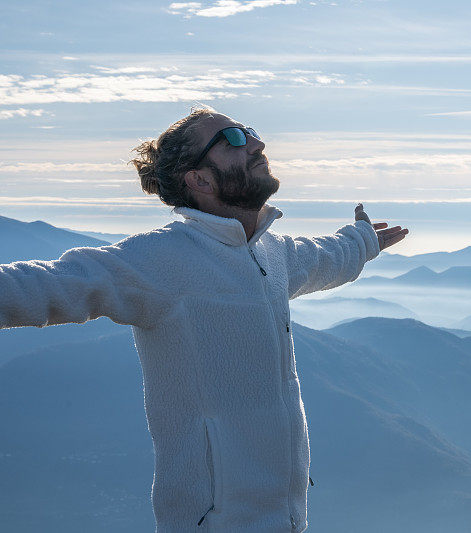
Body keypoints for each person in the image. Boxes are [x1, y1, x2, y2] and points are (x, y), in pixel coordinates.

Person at [0, 106, 409, 532]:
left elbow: (326, 256)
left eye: (248, 131)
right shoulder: (162, 259)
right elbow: (51, 285)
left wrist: (363, 240)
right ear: (199, 180)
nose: (256, 143)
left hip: (286, 521)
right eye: (232, 139)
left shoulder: (271, 253)